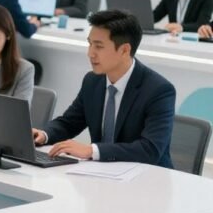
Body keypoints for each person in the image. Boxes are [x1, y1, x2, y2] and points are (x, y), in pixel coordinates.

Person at [32, 10, 175, 167]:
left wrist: (92, 150)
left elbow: (150, 150)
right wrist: (44, 134)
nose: (90, 53)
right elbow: (69, 123)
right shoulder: (92, 81)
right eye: (90, 44)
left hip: (148, 178)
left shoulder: (159, 90)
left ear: (124, 50)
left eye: (99, 47)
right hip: (102, 173)